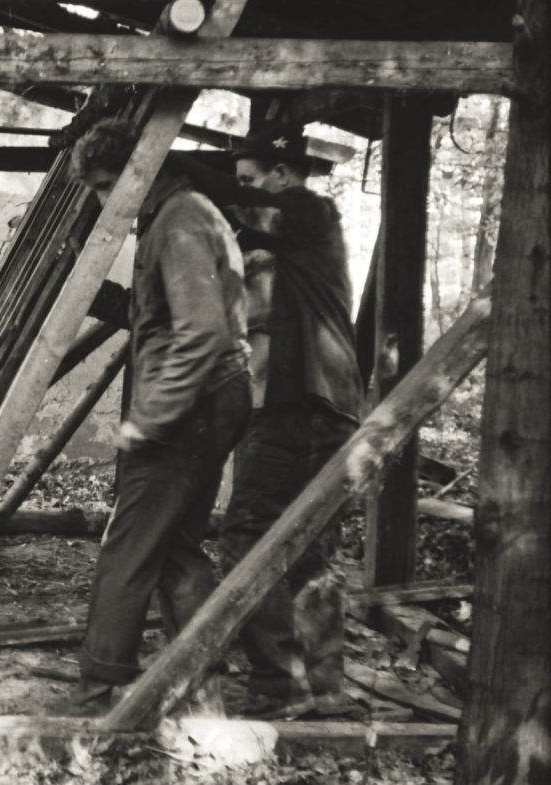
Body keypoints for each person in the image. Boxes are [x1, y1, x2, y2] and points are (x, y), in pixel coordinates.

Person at [174, 125, 364, 718]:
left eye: (251, 179)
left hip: (300, 407)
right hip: (307, 407)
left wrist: (172, 170)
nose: (243, 191)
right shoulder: (274, 245)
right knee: (306, 549)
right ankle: (320, 687)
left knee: (249, 537)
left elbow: (244, 209)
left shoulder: (310, 212)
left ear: (283, 174)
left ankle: (281, 683)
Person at [66, 119, 252, 714]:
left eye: (104, 185)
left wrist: (153, 417)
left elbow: (203, 331)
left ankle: (98, 691)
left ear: (138, 171)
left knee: (128, 542)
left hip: (194, 404)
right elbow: (154, 315)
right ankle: (201, 684)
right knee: (174, 545)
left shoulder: (180, 221)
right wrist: (85, 283)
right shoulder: (173, 217)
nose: (101, 200)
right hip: (208, 398)